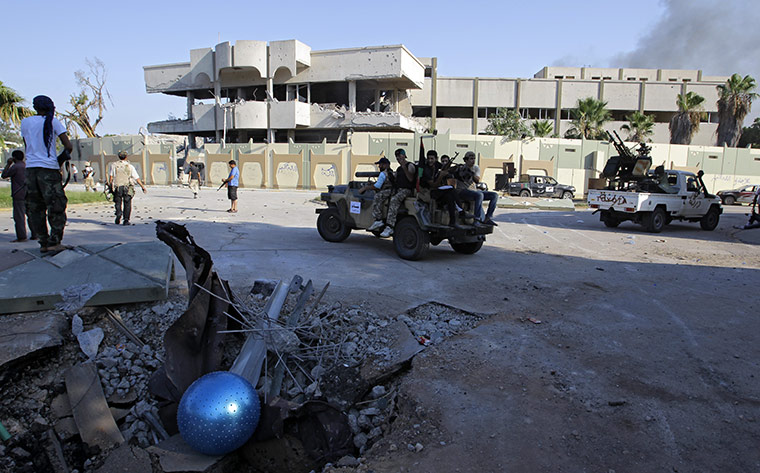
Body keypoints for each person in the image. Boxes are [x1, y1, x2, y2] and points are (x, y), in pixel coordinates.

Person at [20, 95, 72, 254]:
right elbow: (68, 146)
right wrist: (59, 162)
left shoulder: (25, 122)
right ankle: (54, 242)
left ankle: (43, 242)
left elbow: (27, 144)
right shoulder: (53, 122)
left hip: (31, 170)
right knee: (56, 206)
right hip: (48, 170)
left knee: (35, 208)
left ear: (35, 107)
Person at [419, 150, 471, 228]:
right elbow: (433, 185)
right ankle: (461, 212)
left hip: (438, 191)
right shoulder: (426, 169)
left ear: (436, 159)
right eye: (429, 158)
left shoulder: (436, 165)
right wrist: (441, 176)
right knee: (451, 188)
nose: (430, 161)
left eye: (432, 159)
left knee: (450, 197)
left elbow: (446, 168)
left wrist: (455, 168)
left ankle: (452, 222)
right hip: (430, 192)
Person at [377, 149, 417, 238]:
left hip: (407, 190)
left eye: (400, 156)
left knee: (394, 200)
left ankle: (390, 226)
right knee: (380, 195)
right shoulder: (399, 169)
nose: (398, 158)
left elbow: (411, 179)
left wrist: (404, 167)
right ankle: (378, 219)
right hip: (398, 189)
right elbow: (396, 180)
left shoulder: (410, 165)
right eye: (397, 156)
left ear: (404, 156)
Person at [453, 151, 499, 226]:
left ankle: (488, 218)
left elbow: (477, 180)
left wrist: (471, 172)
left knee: (494, 195)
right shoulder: (461, 168)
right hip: (462, 191)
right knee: (479, 195)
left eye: (474, 158)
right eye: (471, 159)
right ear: (466, 160)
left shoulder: (476, 168)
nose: (473, 161)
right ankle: (477, 219)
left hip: (473, 191)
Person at [2, 150, 35, 242]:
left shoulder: (15, 167)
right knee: (31, 215)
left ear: (14, 158)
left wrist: (8, 164)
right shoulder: (27, 166)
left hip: (18, 194)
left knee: (19, 216)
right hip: (29, 193)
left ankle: (22, 236)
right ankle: (35, 234)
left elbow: (4, 175)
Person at [108, 151, 147, 226]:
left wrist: (110, 186)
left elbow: (111, 177)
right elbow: (136, 178)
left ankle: (118, 213)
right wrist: (142, 187)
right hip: (127, 187)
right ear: (126, 157)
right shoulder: (130, 166)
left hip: (117, 187)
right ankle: (126, 220)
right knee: (127, 203)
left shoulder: (114, 165)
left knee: (118, 202)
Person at [359, 157, 395, 230]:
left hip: (387, 191)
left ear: (385, 165)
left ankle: (378, 219)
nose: (379, 166)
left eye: (380, 164)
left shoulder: (382, 174)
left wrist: (365, 188)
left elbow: (377, 186)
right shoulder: (390, 172)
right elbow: (384, 183)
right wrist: (372, 183)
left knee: (377, 197)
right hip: (391, 191)